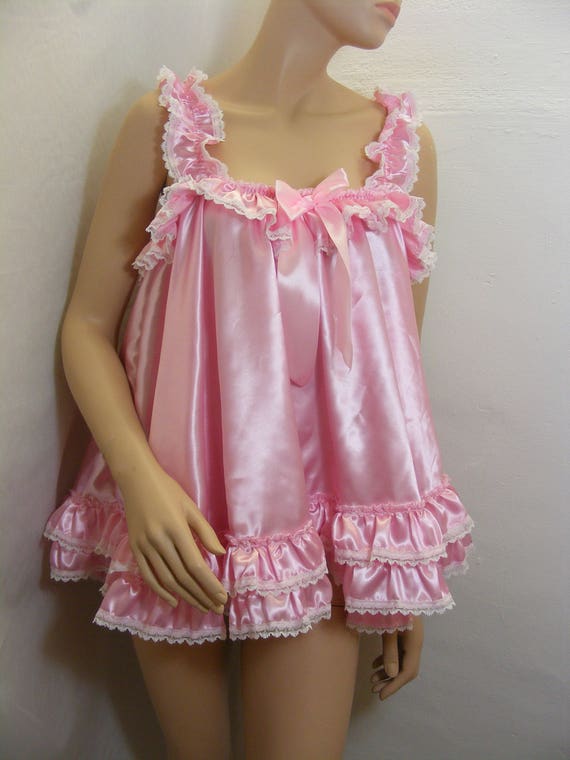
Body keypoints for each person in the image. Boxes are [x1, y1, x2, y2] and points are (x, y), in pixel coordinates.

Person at [42, 1, 475, 758]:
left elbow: (397, 373)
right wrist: (140, 483)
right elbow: (86, 326)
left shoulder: (400, 151)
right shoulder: (170, 126)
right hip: (181, 512)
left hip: (325, 530)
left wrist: (397, 571)